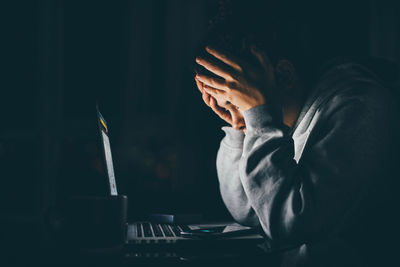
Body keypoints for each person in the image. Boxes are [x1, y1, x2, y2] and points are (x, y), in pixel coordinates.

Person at [195, 1, 399, 266]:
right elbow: (249, 212)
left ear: (285, 75)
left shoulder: (360, 105)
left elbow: (290, 225)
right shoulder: (270, 121)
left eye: (237, 101)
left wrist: (259, 118)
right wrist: (241, 129)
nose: (240, 116)